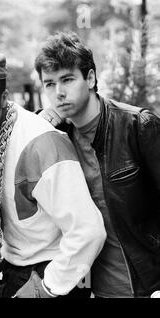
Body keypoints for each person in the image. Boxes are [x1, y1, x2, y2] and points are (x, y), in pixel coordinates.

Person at [0, 48, 106, 298]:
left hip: (54, 272)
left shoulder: (42, 144)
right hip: (8, 269)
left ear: (4, 97)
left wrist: (44, 288)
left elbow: (88, 231)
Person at [35, 31, 160, 298]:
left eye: (67, 79)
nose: (58, 93)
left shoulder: (137, 126)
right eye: (49, 84)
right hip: (91, 288)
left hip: (145, 286)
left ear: (90, 78)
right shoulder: (54, 137)